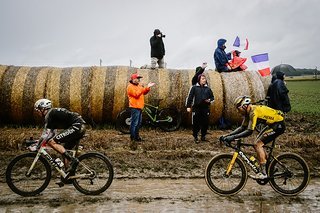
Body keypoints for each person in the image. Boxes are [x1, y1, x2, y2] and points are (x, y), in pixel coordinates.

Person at [220, 96, 286, 179]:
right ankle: (270, 167)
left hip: (278, 125)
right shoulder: (248, 112)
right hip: (272, 124)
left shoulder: (253, 112)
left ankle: (263, 173)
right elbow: (242, 127)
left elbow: (249, 131)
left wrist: (232, 137)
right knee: (258, 143)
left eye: (238, 108)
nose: (238, 111)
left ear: (244, 106)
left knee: (258, 144)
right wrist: (227, 135)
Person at [34, 98, 86, 180]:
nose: (37, 113)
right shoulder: (53, 114)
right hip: (79, 126)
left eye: (37, 110)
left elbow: (46, 134)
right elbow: (52, 133)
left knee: (52, 142)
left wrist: (37, 146)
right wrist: (39, 142)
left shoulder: (49, 115)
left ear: (43, 108)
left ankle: (71, 159)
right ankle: (69, 176)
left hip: (77, 126)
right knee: (65, 150)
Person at [186, 74, 215, 143]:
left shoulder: (208, 89)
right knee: (196, 123)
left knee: (205, 123)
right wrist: (188, 106)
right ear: (199, 80)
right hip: (196, 108)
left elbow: (212, 97)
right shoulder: (194, 88)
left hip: (205, 108)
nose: (204, 80)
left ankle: (203, 136)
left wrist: (209, 100)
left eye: (205, 79)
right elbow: (190, 97)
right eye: (202, 79)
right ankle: (195, 137)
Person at [127, 73, 155, 142]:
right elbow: (136, 94)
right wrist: (142, 89)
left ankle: (137, 137)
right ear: (133, 79)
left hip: (140, 107)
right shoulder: (130, 87)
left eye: (139, 78)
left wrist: (148, 87)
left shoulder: (139, 86)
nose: (139, 80)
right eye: (137, 78)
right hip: (134, 107)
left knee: (138, 123)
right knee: (134, 123)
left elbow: (144, 92)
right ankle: (133, 138)